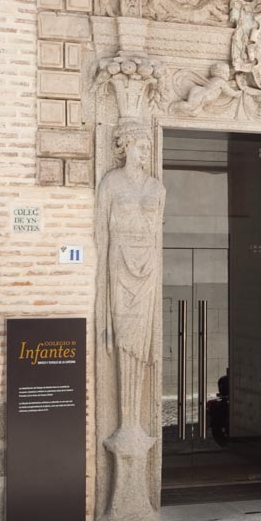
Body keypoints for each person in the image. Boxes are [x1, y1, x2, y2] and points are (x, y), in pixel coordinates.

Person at [95, 120, 166, 439]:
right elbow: (99, 234)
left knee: (140, 338)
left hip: (148, 264)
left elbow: (157, 233)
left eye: (149, 146)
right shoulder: (110, 182)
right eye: (140, 145)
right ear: (125, 147)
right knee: (123, 335)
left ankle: (134, 424)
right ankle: (125, 422)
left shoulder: (156, 187)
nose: (145, 151)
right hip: (118, 263)